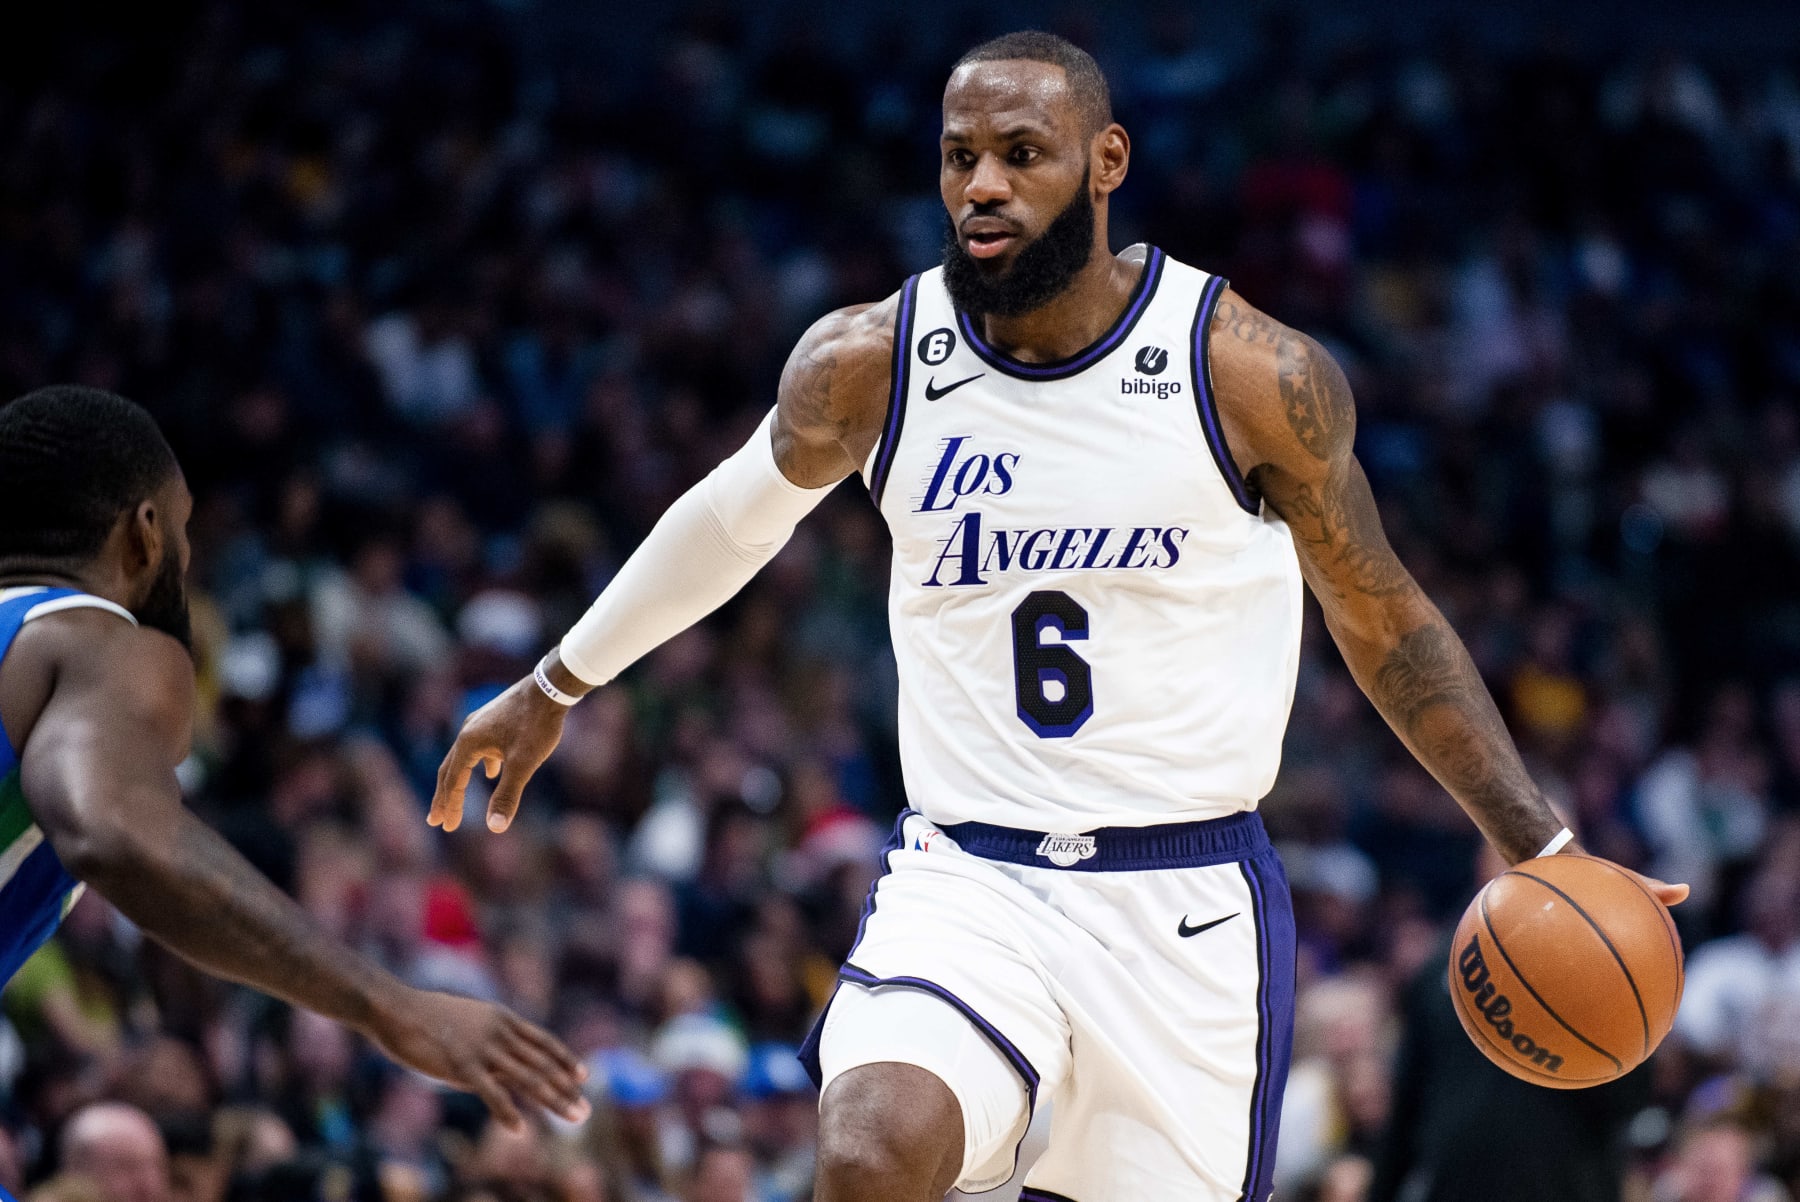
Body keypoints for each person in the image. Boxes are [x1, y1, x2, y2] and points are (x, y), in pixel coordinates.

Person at [428, 31, 1686, 1202]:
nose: (983, 184)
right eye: (959, 157)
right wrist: (555, 684)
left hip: (1184, 911)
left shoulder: (1247, 372)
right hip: (969, 883)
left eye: (1021, 155)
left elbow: (1382, 613)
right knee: (871, 1146)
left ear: (1105, 162)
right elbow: (731, 517)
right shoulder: (870, 361)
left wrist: (1538, 839)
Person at [0, 386, 589, 1133]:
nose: (187, 562)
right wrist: (392, 1006)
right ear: (145, 534)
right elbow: (116, 834)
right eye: (184, 533)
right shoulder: (94, 635)